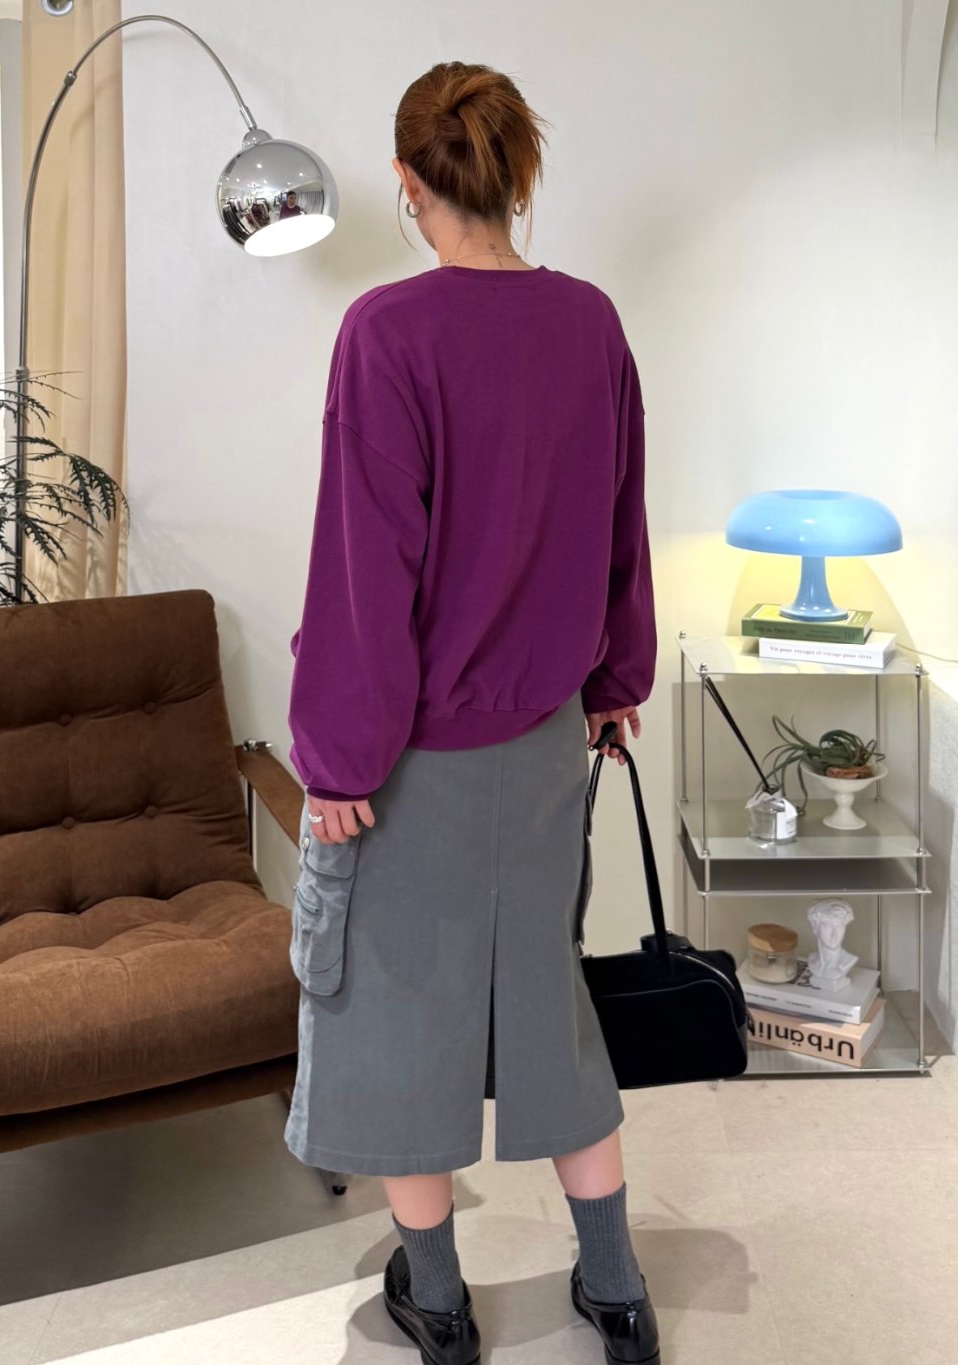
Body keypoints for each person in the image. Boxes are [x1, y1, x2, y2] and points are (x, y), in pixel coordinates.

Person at [284, 59, 659, 1365]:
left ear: (408, 182)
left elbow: (363, 571)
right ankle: (616, 1291)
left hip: (414, 767)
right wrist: (613, 684)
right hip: (547, 746)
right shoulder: (591, 324)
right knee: (552, 1013)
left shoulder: (386, 334)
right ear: (518, 172)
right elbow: (621, 527)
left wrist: (338, 762)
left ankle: (438, 1307)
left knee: (401, 1029)